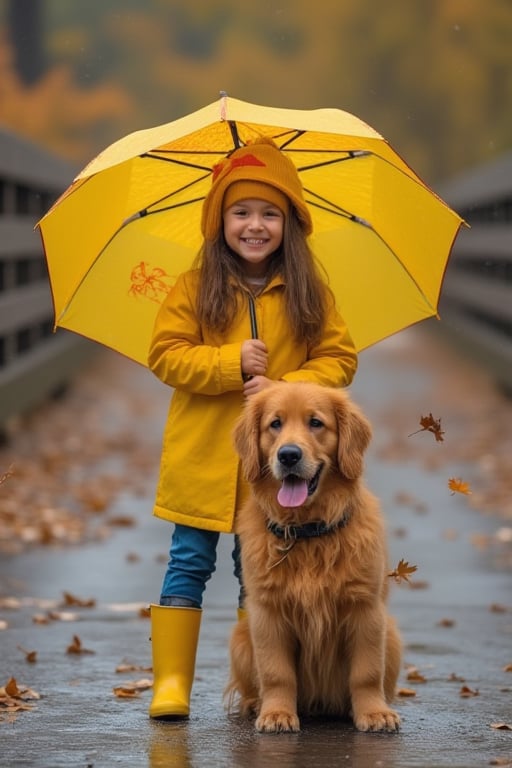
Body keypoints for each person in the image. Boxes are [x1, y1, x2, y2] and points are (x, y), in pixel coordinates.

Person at [147, 137, 358, 719]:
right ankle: (171, 682)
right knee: (188, 561)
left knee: (260, 574)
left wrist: (285, 387)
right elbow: (165, 355)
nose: (255, 225)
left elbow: (340, 359)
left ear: (290, 224)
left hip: (274, 472)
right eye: (241, 212)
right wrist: (229, 363)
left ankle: (261, 686)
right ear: (220, 223)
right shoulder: (192, 289)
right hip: (204, 455)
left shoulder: (311, 294)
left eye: (270, 213)